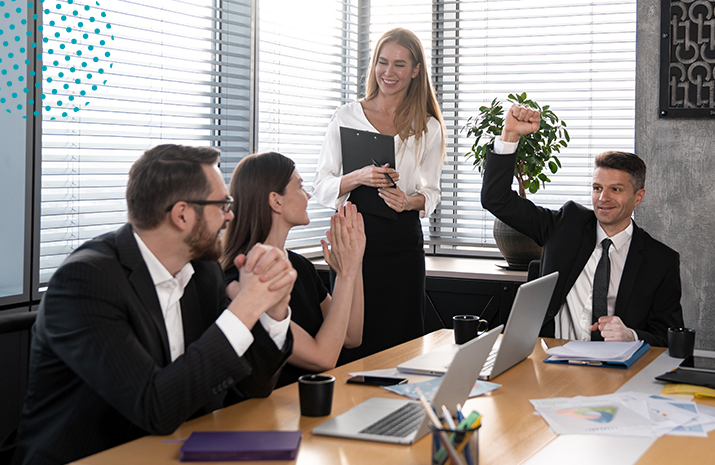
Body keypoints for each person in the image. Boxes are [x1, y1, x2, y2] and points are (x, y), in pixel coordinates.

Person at [12, 145, 297, 465]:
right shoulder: (86, 281)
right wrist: (245, 307)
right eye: (223, 204)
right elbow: (155, 407)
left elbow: (252, 387)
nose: (230, 214)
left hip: (174, 453)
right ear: (182, 214)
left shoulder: (204, 272)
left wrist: (273, 310)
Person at [481, 104, 683, 346]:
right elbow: (496, 199)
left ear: (638, 197)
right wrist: (510, 136)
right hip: (551, 361)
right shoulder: (566, 225)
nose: (603, 198)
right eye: (597, 188)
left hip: (617, 370)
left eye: (615, 190)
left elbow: (668, 339)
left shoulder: (660, 261)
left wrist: (632, 335)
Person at [313, 28, 446, 360]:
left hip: (402, 244)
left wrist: (408, 201)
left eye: (400, 65)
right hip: (354, 241)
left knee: (404, 343)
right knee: (352, 339)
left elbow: (431, 193)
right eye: (382, 63)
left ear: (416, 70)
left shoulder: (428, 127)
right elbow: (321, 186)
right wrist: (358, 176)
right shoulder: (346, 116)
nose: (389, 73)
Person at [221, 152, 365, 387]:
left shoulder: (300, 266)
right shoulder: (241, 280)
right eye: (299, 187)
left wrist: (354, 262)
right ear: (276, 200)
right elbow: (323, 358)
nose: (308, 195)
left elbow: (351, 336)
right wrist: (346, 275)